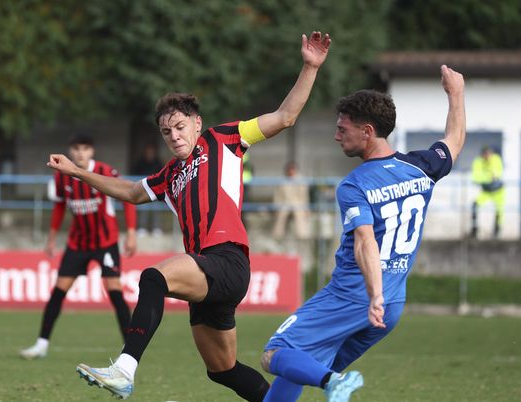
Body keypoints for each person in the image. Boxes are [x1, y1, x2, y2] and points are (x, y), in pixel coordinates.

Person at [47, 31, 331, 401]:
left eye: (180, 126)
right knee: (222, 370)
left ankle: (125, 369)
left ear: (197, 124)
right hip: (206, 273)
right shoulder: (168, 175)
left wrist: (310, 67)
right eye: (167, 131)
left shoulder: (225, 138)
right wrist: (78, 172)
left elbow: (285, 116)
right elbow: (132, 192)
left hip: (226, 259)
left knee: (153, 278)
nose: (174, 136)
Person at [260, 65, 466, 402]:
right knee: (301, 364)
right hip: (393, 303)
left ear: (367, 132)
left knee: (276, 354)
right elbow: (454, 143)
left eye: (343, 129)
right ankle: (330, 379)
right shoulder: (422, 167)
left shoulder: (355, 185)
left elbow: (365, 242)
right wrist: (455, 93)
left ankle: (335, 383)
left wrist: (373, 296)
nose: (337, 135)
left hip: (355, 296)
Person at [20, 134, 137, 359]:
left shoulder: (105, 171)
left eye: (85, 149)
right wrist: (52, 237)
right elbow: (59, 208)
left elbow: (129, 197)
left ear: (92, 151)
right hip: (78, 242)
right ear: (71, 151)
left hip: (106, 241)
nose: (80, 153)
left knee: (115, 292)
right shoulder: (62, 177)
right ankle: (41, 344)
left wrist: (131, 233)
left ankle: (130, 349)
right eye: (76, 148)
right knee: (58, 291)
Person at [130, 142, 164, 236]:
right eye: (148, 151)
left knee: (157, 209)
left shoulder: (158, 162)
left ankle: (156, 228)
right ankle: (142, 228)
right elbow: (135, 175)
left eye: (151, 152)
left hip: (156, 190)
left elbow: (162, 175)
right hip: (143, 189)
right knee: (143, 208)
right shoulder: (140, 162)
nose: (150, 153)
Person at [470, 145, 504, 238]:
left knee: (499, 210)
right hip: (486, 190)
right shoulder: (478, 161)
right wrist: (488, 177)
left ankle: (497, 231)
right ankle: (474, 228)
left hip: (498, 190)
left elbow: (497, 174)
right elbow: (476, 177)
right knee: (474, 205)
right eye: (485, 154)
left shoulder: (496, 159)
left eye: (489, 154)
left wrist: (486, 177)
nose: (487, 156)